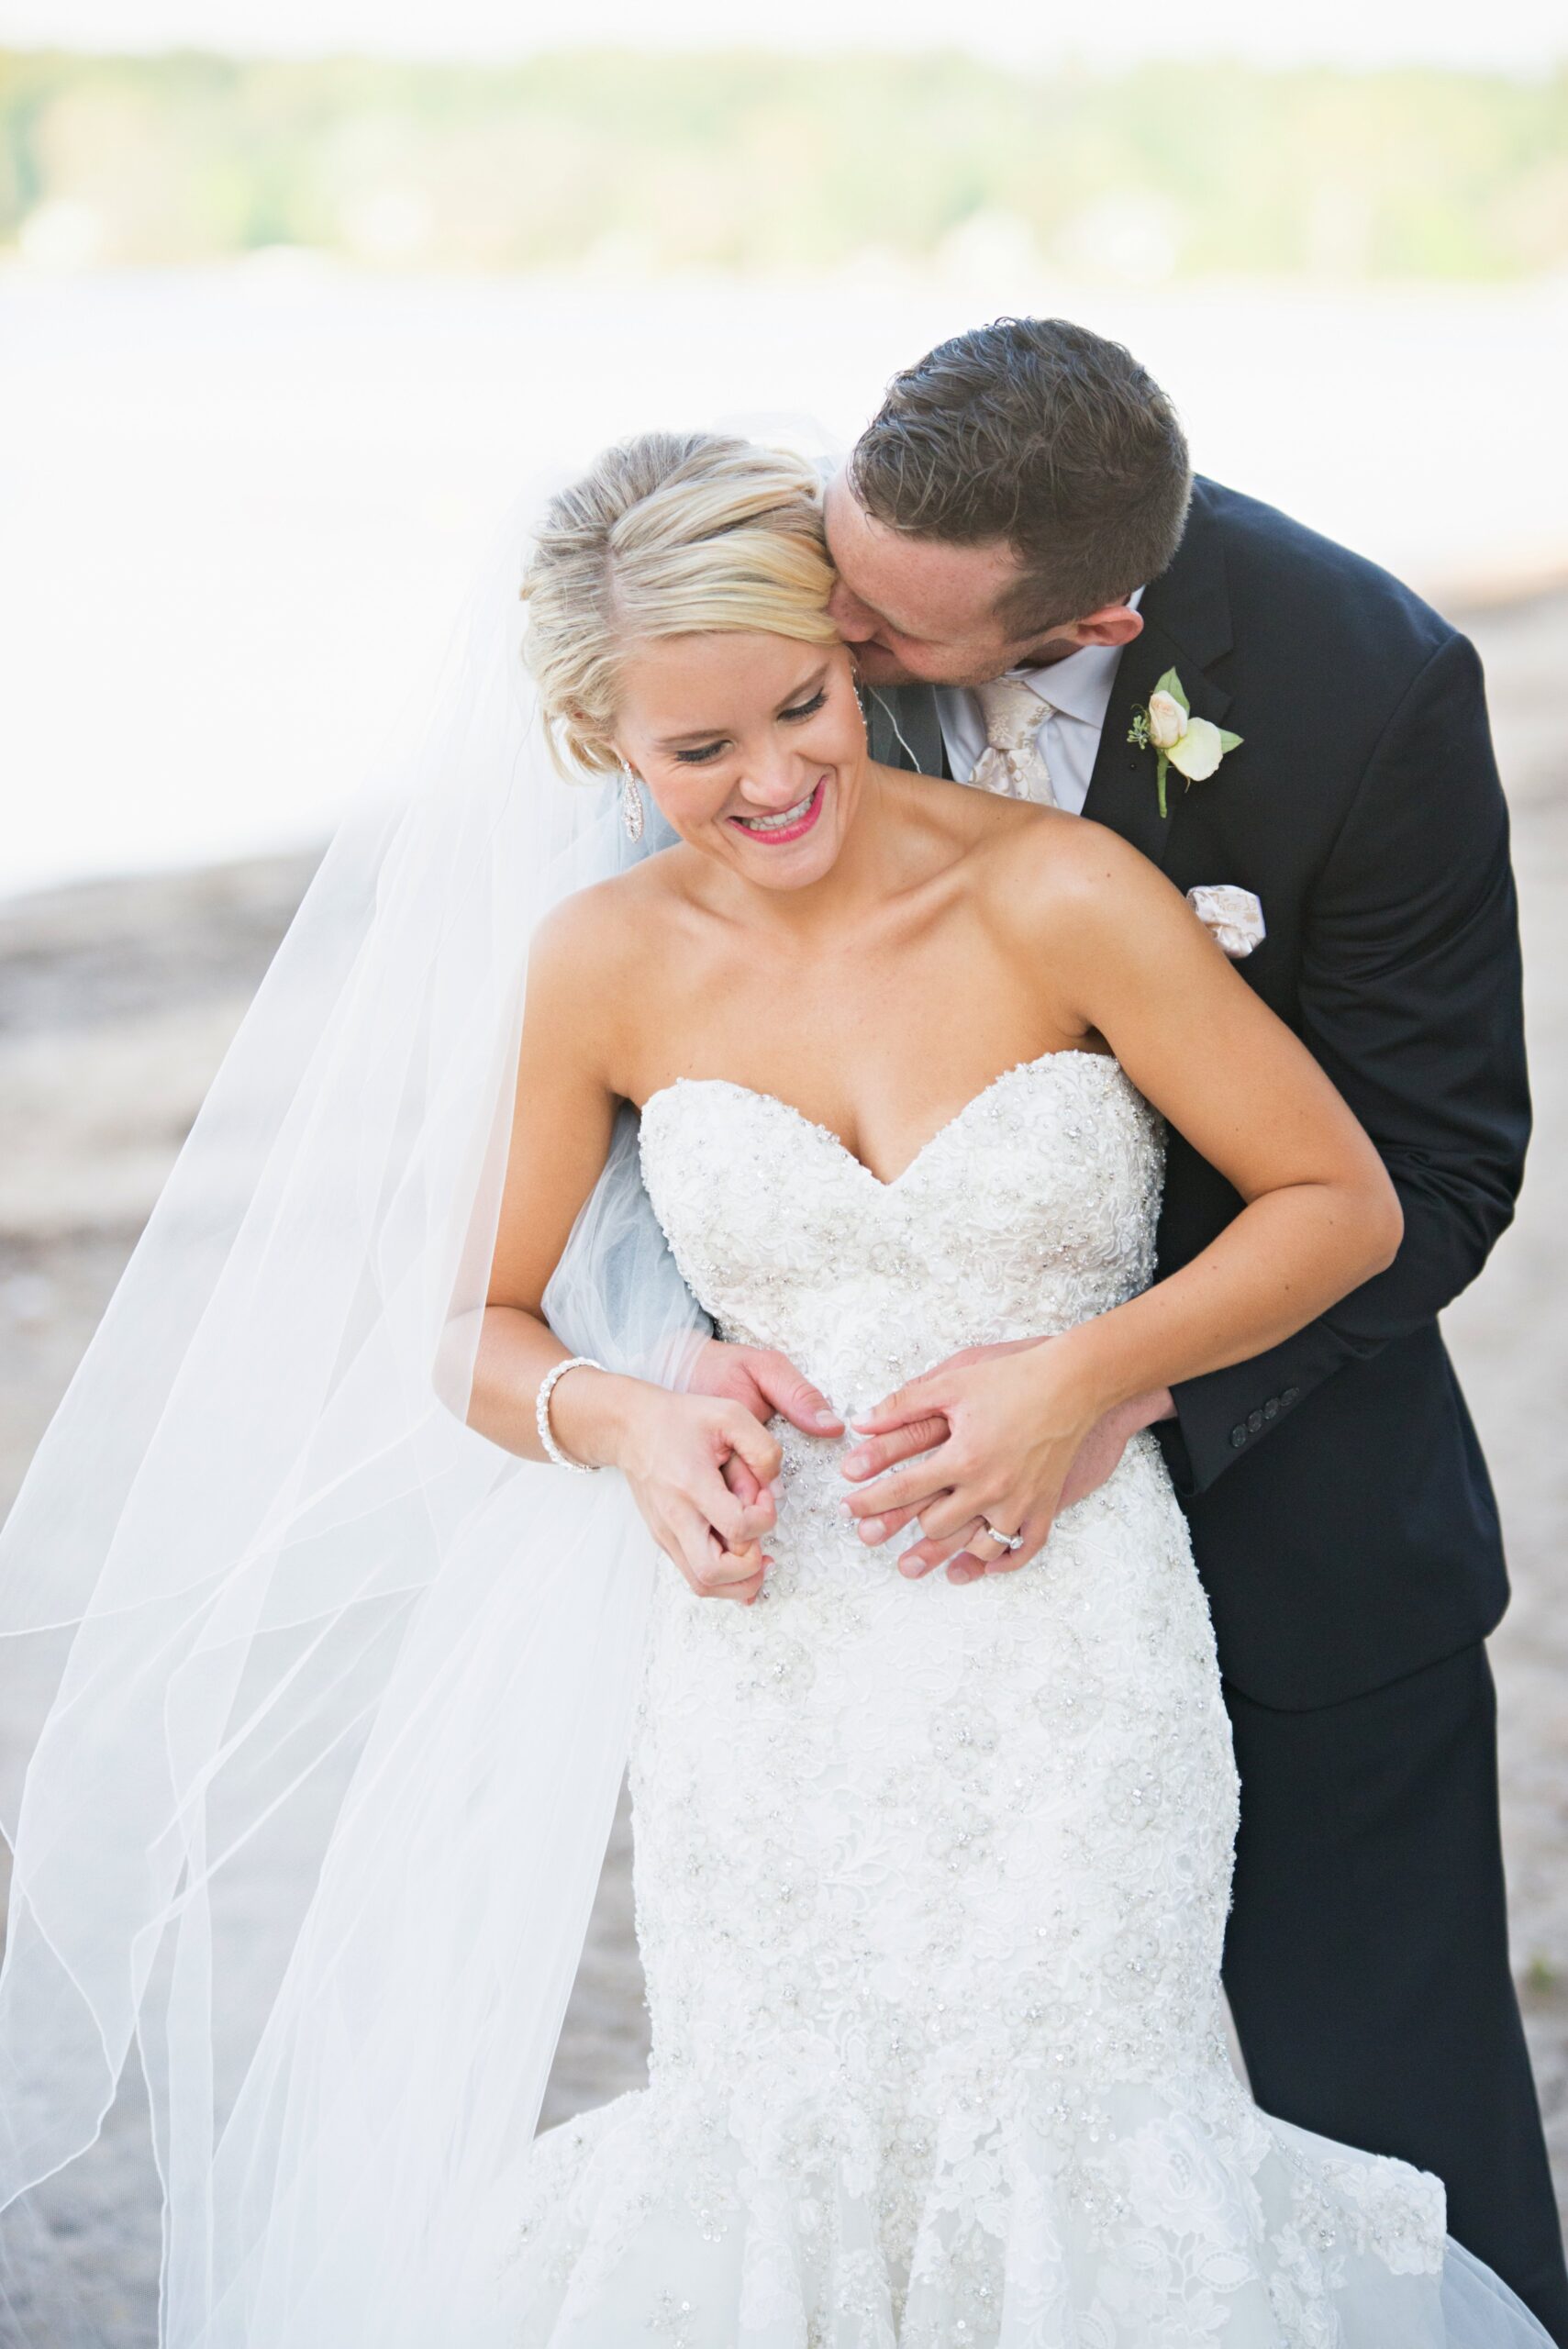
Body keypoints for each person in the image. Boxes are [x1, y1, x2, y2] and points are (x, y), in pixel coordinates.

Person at [469, 429, 1550, 2344]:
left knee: (1093, 2137)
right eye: (695, 752)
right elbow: (480, 1320)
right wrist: (630, 1412)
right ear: (605, 751)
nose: (775, 776)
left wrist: (1087, 1374)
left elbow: (1355, 1192)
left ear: (857, 642)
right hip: (773, 1672)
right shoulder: (597, 961)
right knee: (799, 2163)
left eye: (803, 704)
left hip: (1064, 1648)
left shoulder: (1063, 887)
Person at [761, 316, 1561, 2342]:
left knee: (1381, 2123)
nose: (829, 634)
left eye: (886, 625)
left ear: (1100, 608)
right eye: (839, 563)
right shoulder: (781, 611)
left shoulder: (1368, 685)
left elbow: (1443, 1163)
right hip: (901, 1561)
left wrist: (1117, 1381)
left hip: (1296, 1503)